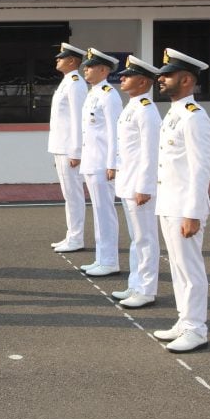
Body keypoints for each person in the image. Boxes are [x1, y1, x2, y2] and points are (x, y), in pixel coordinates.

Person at [152, 48, 210, 353]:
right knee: (177, 267)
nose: (160, 79)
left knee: (190, 269)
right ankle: (184, 319)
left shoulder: (194, 117)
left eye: (168, 74)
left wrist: (193, 212)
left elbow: (200, 167)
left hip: (184, 207)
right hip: (169, 202)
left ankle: (196, 327)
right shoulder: (174, 113)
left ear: (186, 79)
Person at [109, 56, 162, 308]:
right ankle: (135, 283)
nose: (122, 78)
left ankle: (147, 289)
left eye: (127, 76)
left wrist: (145, 186)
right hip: (127, 180)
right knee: (136, 238)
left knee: (145, 239)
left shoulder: (146, 110)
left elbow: (150, 152)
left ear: (142, 82)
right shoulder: (132, 106)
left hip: (138, 185)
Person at [77, 48, 123, 277]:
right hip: (91, 162)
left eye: (90, 66)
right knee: (98, 211)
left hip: (102, 164)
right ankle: (102, 257)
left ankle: (110, 260)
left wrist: (113, 163)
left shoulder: (109, 95)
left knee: (105, 212)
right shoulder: (93, 93)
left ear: (103, 70)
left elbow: (115, 131)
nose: (86, 68)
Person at [48, 42, 88, 253]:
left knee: (73, 194)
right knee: (68, 195)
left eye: (61, 57)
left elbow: (77, 119)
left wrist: (76, 151)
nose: (57, 60)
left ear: (72, 61)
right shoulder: (66, 82)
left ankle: (76, 238)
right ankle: (71, 234)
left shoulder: (75, 84)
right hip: (60, 147)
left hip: (68, 148)